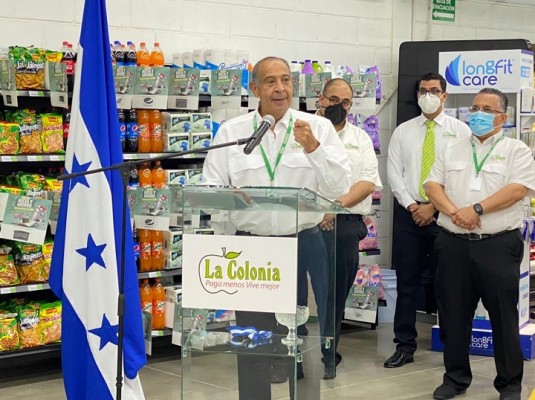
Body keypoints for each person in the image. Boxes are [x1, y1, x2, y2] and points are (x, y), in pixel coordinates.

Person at [202, 56, 351, 400]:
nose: (280, 88)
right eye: (270, 81)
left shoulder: (319, 129)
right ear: (254, 88)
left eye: (286, 80)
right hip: (251, 250)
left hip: (305, 244)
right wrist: (227, 197)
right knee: (253, 341)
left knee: (305, 340)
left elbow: (337, 186)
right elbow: (209, 189)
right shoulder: (232, 132)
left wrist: (313, 148)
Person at [425, 88, 535, 400]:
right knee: (454, 314)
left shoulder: (517, 150)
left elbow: (517, 190)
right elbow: (432, 184)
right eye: (475, 107)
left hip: (497, 244)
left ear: (502, 117)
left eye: (486, 109)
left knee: (503, 316)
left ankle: (510, 384)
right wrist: (454, 213)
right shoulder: (452, 148)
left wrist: (476, 210)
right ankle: (455, 378)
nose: (478, 114)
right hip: (453, 243)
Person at [385, 72, 471, 368]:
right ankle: (404, 345)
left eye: (434, 90)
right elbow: (394, 174)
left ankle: (451, 345)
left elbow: (460, 176)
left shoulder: (460, 131)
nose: (428, 95)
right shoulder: (403, 131)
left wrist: (433, 208)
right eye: (423, 91)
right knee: (407, 282)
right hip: (408, 214)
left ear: (444, 95)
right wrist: (412, 205)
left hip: (445, 216)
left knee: (446, 284)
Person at [316, 78, 382, 379]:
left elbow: (367, 182)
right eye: (332, 100)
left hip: (343, 223)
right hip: (302, 221)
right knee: (293, 292)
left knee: (334, 293)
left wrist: (335, 208)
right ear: (320, 98)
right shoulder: (300, 130)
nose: (338, 107)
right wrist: (317, 213)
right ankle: (289, 355)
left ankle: (329, 354)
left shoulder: (360, 138)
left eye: (344, 103)